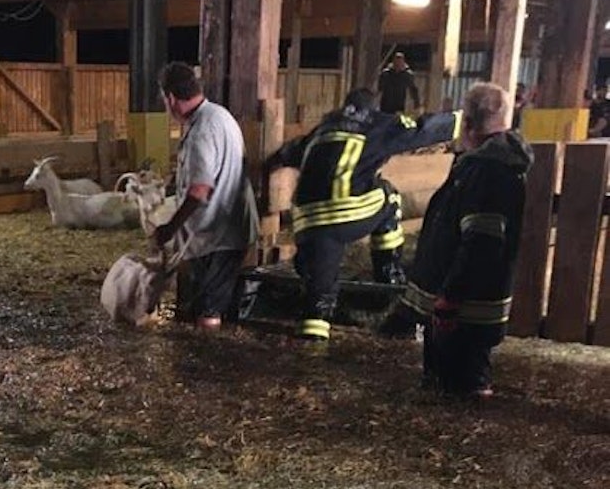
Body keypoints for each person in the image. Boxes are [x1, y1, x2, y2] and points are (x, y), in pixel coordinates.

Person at [264, 87, 461, 342]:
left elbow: (288, 152)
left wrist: (269, 164)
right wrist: (460, 120)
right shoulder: (378, 124)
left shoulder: (323, 128)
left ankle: (311, 341)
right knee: (389, 194)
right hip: (344, 214)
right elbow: (421, 129)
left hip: (306, 222)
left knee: (318, 295)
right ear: (374, 107)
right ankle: (388, 273)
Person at [401, 81, 533, 399]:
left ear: (468, 124)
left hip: (464, 309)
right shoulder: (487, 165)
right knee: (443, 382)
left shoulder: (487, 172)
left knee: (463, 386)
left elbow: (481, 242)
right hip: (460, 303)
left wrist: (450, 297)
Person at [151, 61, 260, 331]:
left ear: (171, 98)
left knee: (208, 306)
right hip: (225, 229)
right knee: (210, 300)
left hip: (216, 236)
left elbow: (200, 190)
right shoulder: (219, 115)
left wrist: (169, 229)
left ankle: (207, 359)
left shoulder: (201, 131)